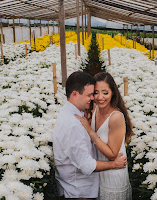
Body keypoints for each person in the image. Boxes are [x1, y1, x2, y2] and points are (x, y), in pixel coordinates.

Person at [53, 71, 127, 200]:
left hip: (104, 178)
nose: (95, 98)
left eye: (104, 92)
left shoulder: (76, 113)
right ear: (75, 94)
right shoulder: (73, 123)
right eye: (91, 94)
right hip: (79, 188)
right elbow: (86, 165)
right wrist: (114, 164)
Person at [75, 72, 133, 200]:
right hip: (100, 172)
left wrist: (90, 131)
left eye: (105, 93)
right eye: (96, 92)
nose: (100, 97)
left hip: (113, 176)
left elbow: (112, 154)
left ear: (113, 93)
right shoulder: (96, 109)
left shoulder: (116, 117)